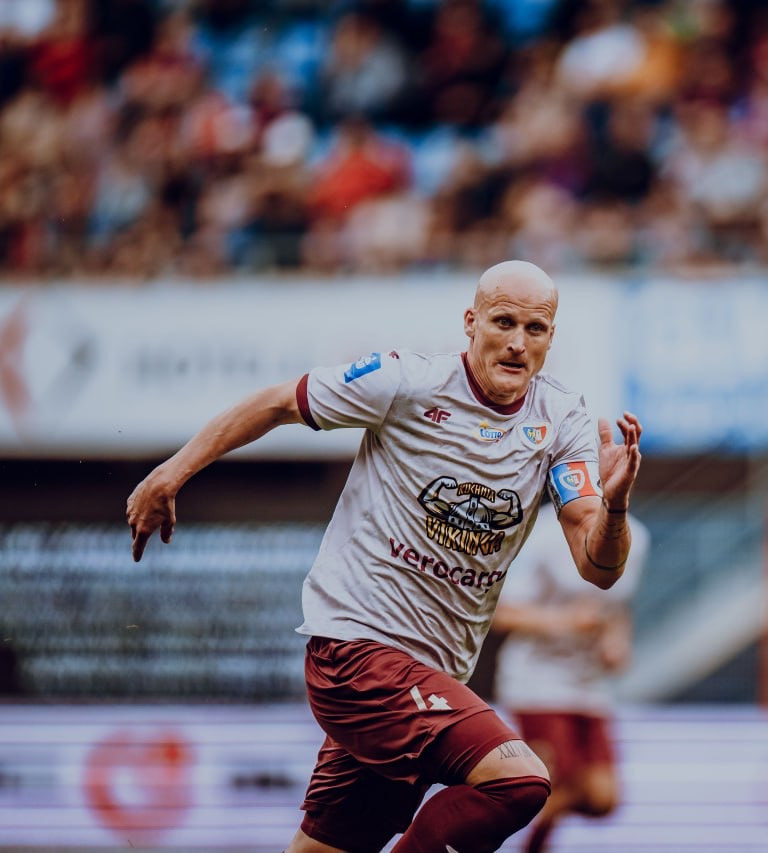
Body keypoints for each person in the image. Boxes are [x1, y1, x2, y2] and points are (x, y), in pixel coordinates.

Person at [125, 260, 643, 853]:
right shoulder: (406, 381)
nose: (518, 343)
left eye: (536, 329)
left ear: (551, 337)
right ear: (471, 322)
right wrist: (171, 473)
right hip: (357, 655)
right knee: (519, 781)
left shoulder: (562, 418)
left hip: (431, 676)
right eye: (504, 322)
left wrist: (615, 506)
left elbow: (599, 568)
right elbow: (276, 403)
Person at [490, 505, 651, 853]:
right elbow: (502, 614)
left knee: (603, 798)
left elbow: (617, 608)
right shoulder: (542, 530)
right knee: (556, 783)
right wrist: (565, 622)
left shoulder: (636, 536)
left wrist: (616, 642)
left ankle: (509, 821)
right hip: (537, 681)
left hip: (588, 683)